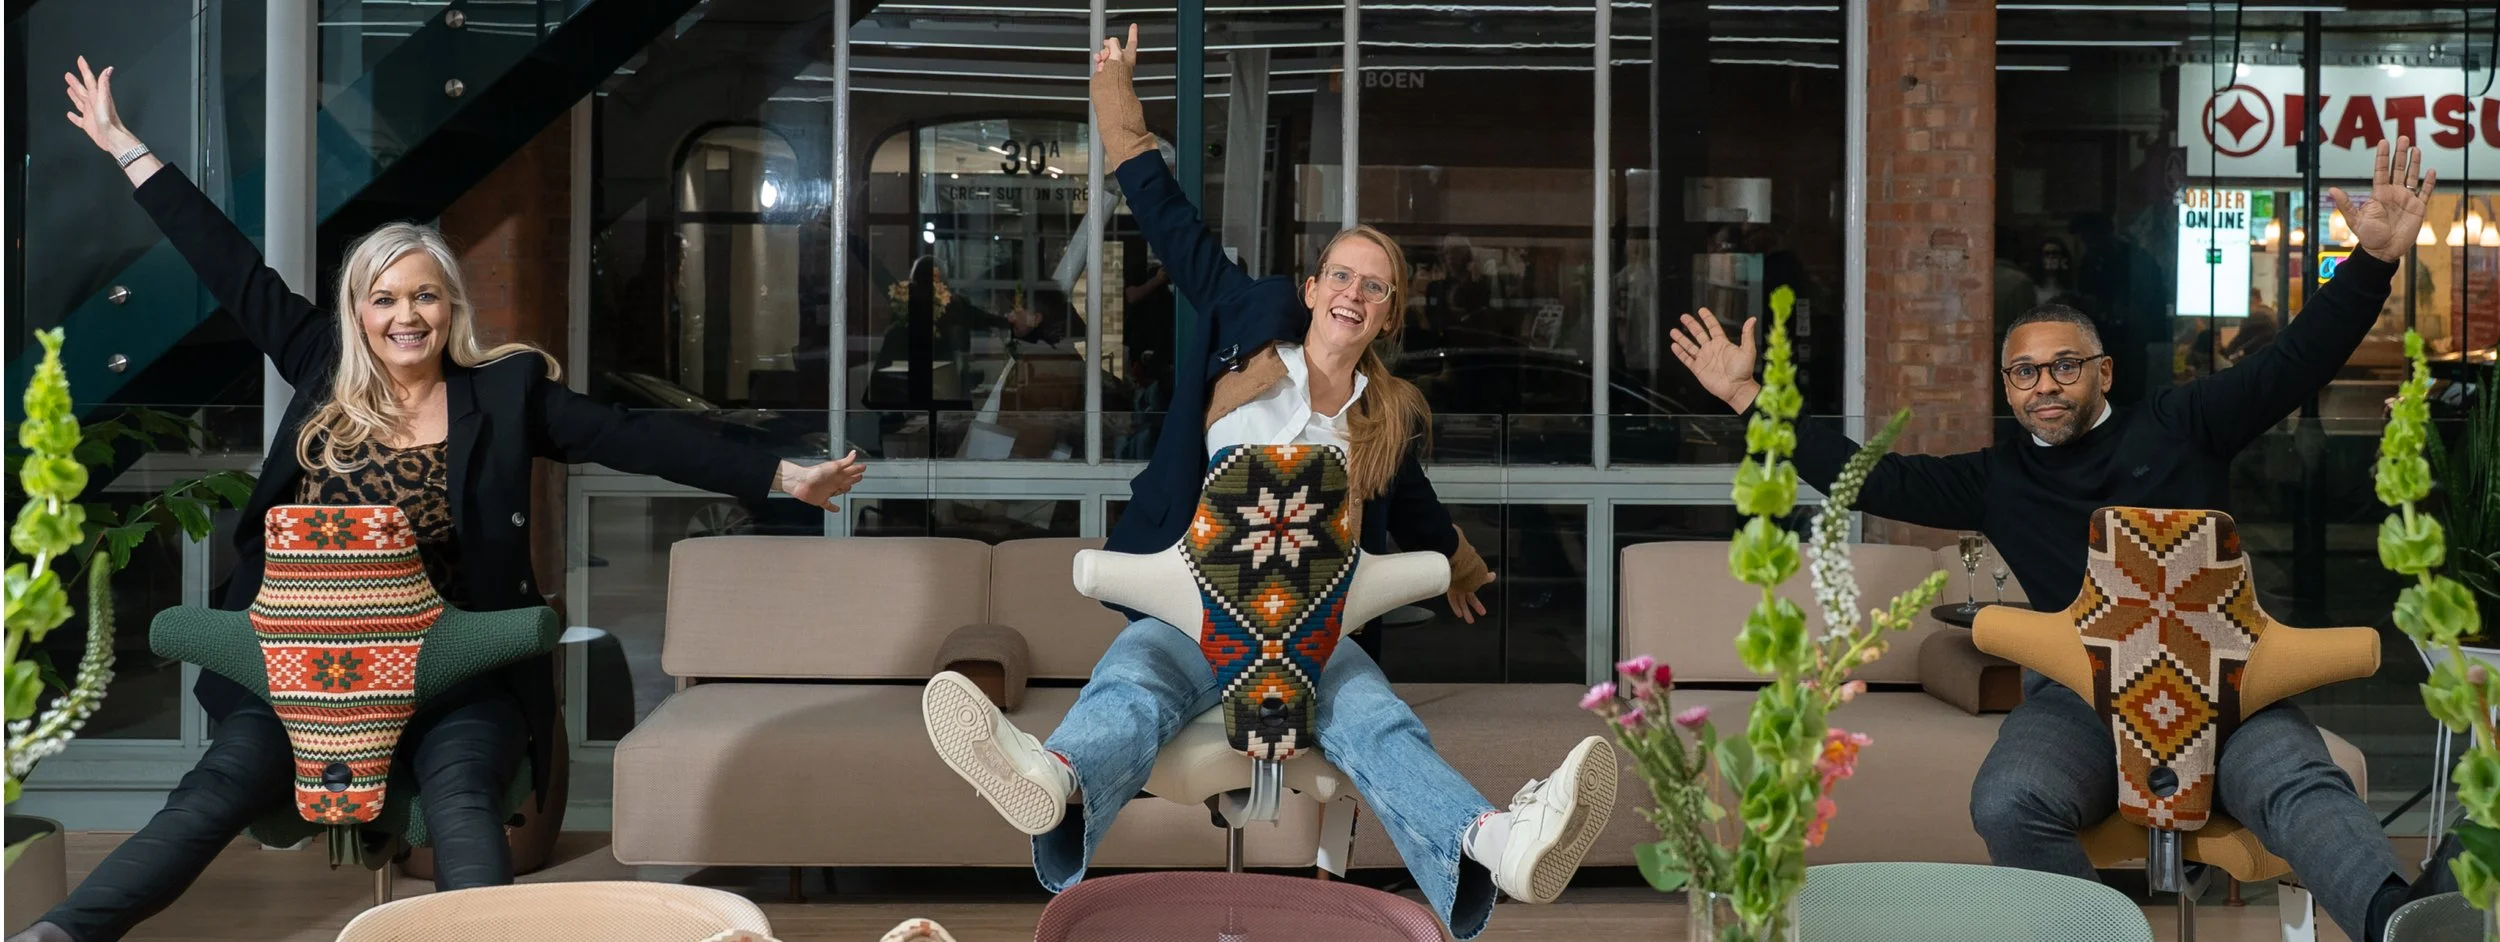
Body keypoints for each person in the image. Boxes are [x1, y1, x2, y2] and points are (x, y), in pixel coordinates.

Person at [17, 58, 866, 942]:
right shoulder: (318, 366)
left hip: (452, 677)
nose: (406, 315)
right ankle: (58, 935)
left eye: (424, 295)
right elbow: (228, 265)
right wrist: (125, 148)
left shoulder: (505, 395)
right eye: (384, 298)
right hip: (301, 672)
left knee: (462, 798)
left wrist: (784, 475)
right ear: (358, 312)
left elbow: (637, 437)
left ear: (451, 307)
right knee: (214, 789)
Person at [916, 27, 1616, 941]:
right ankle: (1052, 779)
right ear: (1313, 285)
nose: (1354, 294)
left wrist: (1462, 566)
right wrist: (1116, 101)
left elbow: (1415, 506)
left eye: (1375, 287)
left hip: (1310, 630)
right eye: (1342, 276)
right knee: (1132, 683)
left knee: (1377, 720)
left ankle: (1498, 843)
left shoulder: (1386, 414)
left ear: (1388, 314)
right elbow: (1168, 215)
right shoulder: (1245, 324)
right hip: (1191, 605)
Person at [1668, 137, 2455, 942]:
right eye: (2024, 373)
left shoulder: (2183, 424)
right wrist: (1748, 399)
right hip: (2081, 692)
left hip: (2227, 679)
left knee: (2298, 784)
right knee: (2010, 799)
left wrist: (2371, 263)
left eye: (2064, 366)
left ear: (2103, 373)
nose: (2044, 385)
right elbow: (1870, 478)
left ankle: (2402, 923)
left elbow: (2293, 362)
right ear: (2008, 388)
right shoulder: (1997, 478)